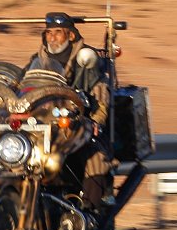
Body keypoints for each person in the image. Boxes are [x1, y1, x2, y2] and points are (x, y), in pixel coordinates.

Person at [25, 12, 115, 209]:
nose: (52, 38)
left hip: (77, 124)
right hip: (42, 125)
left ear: (71, 35)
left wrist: (96, 121)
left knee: (95, 159)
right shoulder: (37, 59)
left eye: (58, 32)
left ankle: (90, 215)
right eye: (49, 33)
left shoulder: (87, 58)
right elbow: (24, 87)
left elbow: (100, 94)